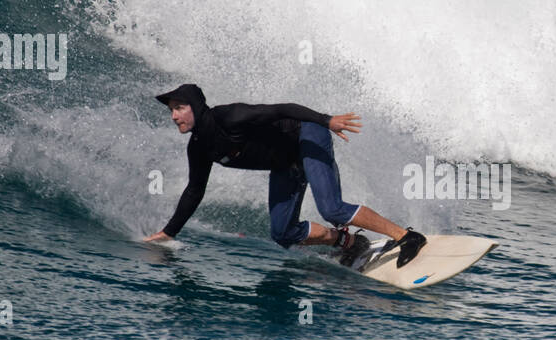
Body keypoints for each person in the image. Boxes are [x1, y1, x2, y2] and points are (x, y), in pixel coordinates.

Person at [142, 84, 427, 267]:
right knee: (282, 233)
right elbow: (194, 191)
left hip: (307, 135)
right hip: (285, 164)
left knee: (332, 208)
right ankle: (348, 243)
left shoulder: (230, 117)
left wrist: (326, 120)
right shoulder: (199, 148)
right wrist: (169, 233)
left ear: (195, 106)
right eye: (171, 110)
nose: (174, 116)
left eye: (179, 108)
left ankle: (407, 237)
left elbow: (282, 109)